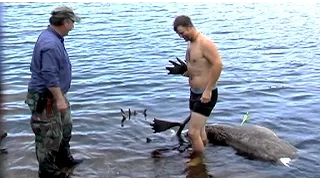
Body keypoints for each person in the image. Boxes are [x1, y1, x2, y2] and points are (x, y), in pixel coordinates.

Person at [24, 5, 83, 178]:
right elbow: (48, 74)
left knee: (65, 127)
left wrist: (61, 96)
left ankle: (64, 159)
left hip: (56, 94)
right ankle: (48, 171)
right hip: (46, 96)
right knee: (48, 135)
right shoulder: (49, 43)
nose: (73, 26)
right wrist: (59, 98)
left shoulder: (54, 37)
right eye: (72, 22)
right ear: (65, 22)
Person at [171, 15, 223, 166]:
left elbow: (218, 65)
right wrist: (186, 72)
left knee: (192, 133)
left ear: (189, 27)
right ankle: (205, 154)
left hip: (206, 94)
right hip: (194, 93)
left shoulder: (204, 43)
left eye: (182, 33)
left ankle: (198, 163)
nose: (181, 36)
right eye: (179, 35)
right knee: (199, 131)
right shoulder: (190, 44)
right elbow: (197, 67)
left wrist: (208, 91)